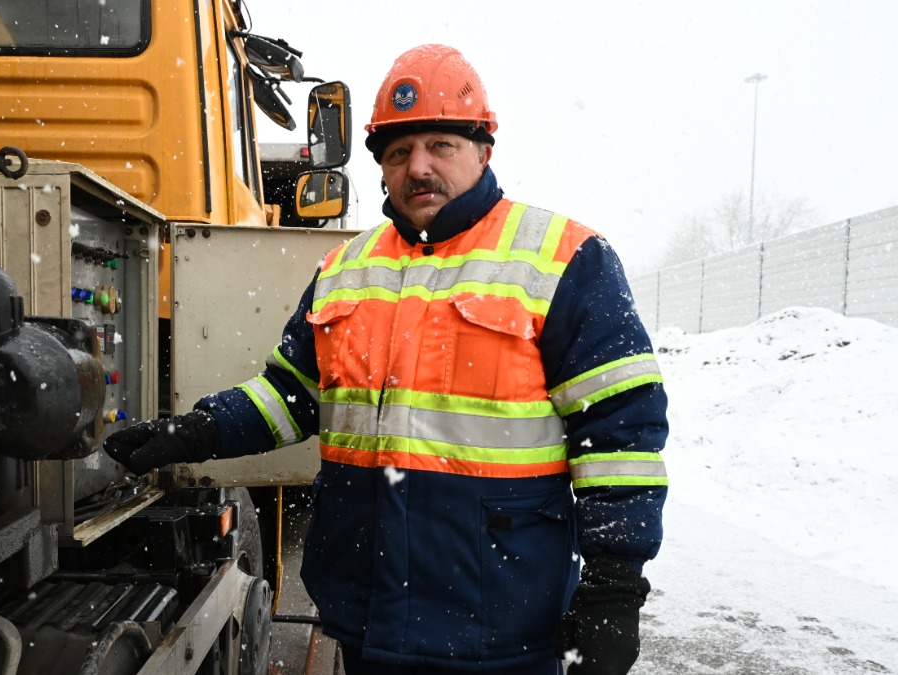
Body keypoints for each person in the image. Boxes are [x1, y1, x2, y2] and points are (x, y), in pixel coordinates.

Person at [104, 44, 668, 675]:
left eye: (440, 146)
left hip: (503, 629)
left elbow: (620, 436)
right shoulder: (346, 266)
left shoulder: (567, 259)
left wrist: (614, 590)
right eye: (398, 152)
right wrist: (195, 430)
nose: (417, 167)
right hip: (367, 623)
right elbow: (293, 396)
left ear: (483, 150)